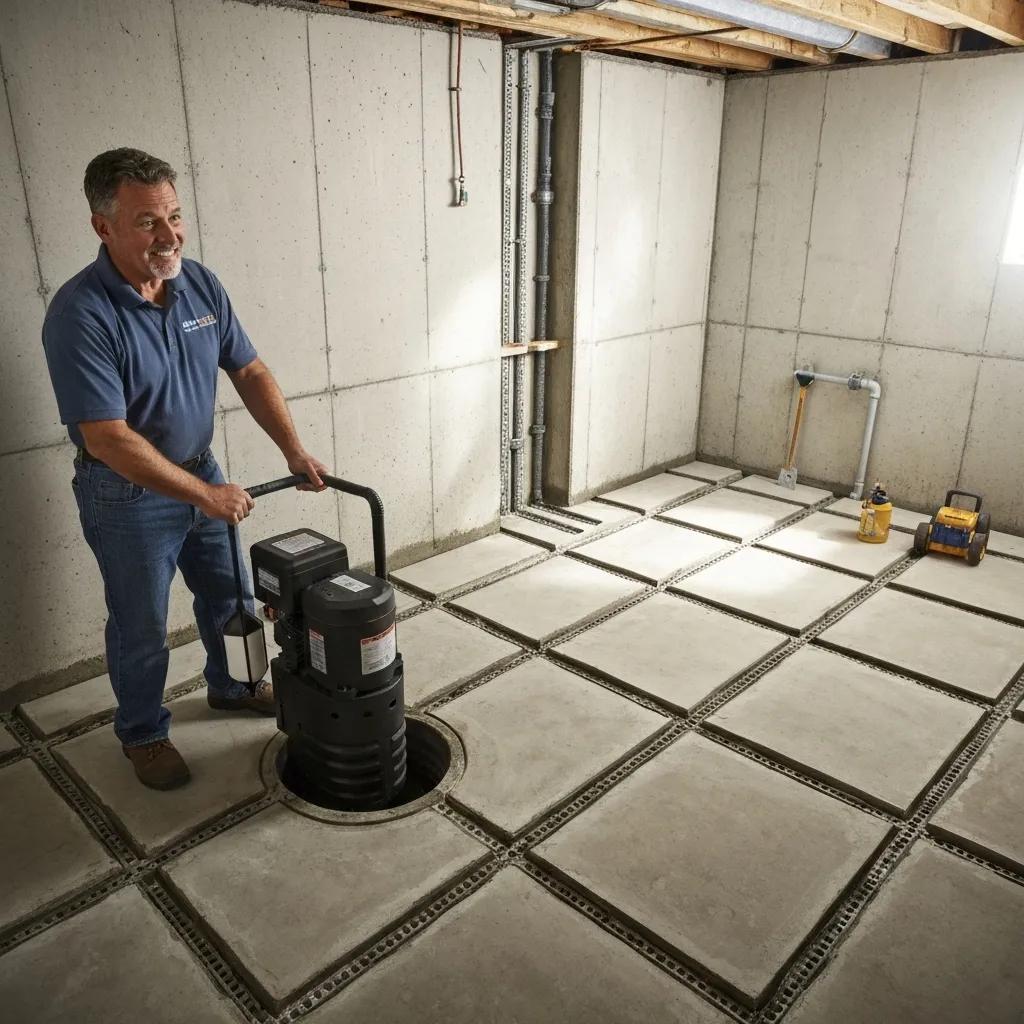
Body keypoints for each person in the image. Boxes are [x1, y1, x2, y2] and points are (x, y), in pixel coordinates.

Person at [41, 148, 328, 791]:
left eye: (174, 215)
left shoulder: (199, 282)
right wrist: (204, 495)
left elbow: (248, 370)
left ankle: (230, 686)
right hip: (125, 493)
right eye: (147, 222)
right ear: (103, 226)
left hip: (203, 471)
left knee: (229, 595)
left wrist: (293, 449)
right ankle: (142, 733)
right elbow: (110, 439)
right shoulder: (80, 314)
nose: (168, 236)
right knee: (141, 622)